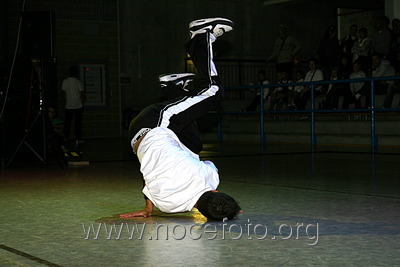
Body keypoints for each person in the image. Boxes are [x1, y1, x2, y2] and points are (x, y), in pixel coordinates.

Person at [120, 18, 241, 221]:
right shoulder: (168, 206)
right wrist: (148, 209)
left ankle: (201, 36)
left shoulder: (208, 179)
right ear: (200, 212)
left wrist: (227, 206)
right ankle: (173, 86)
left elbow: (210, 171)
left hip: (157, 122)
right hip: (136, 138)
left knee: (213, 92)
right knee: (194, 145)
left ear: (215, 192)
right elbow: (149, 182)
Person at [62, 66, 84, 147]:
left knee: (67, 123)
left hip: (68, 106)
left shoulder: (65, 82)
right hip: (78, 106)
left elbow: (64, 94)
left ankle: (65, 138)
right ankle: (77, 139)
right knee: (78, 124)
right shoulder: (78, 82)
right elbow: (81, 94)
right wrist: (82, 103)